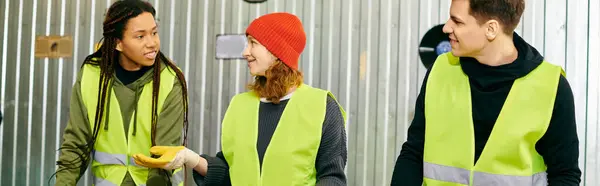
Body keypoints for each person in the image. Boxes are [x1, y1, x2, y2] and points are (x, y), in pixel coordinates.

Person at [132, 12, 348, 185]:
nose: (245, 52)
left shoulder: (322, 107)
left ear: (277, 51)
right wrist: (192, 159)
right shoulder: (240, 106)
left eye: (253, 43)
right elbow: (229, 174)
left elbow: (332, 178)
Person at [391, 0, 581, 185]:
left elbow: (564, 175)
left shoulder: (551, 86)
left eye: (457, 21)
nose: (446, 28)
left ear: (491, 29)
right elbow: (414, 153)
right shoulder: (440, 70)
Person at [54, 0, 189, 185]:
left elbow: (163, 157)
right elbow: (75, 145)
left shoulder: (171, 79)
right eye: (140, 36)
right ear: (118, 43)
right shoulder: (92, 76)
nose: (152, 43)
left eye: (154, 33)